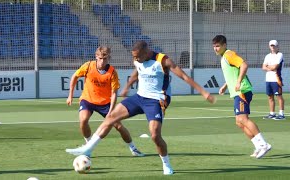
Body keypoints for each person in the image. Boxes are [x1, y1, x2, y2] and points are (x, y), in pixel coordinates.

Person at [66, 40, 216, 175]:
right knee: (111, 117)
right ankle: (88, 148)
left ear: (146, 52)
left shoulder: (163, 60)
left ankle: (166, 164)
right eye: (134, 57)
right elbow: (137, 71)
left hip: (157, 99)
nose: (135, 59)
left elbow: (184, 76)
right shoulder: (138, 60)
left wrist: (203, 92)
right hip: (139, 97)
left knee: (155, 135)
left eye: (138, 56)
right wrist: (128, 86)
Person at [66, 46, 144, 157]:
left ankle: (133, 149)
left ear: (108, 58)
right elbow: (74, 76)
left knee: (119, 127)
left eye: (105, 59)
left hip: (105, 103)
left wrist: (111, 111)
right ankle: (88, 146)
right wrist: (70, 96)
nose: (103, 61)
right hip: (88, 99)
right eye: (100, 58)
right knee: (83, 120)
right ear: (96, 57)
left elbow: (114, 93)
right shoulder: (88, 66)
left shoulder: (112, 72)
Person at [212, 35, 272, 159]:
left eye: (218, 46)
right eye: (214, 46)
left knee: (243, 119)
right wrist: (225, 86)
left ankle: (264, 144)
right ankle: (258, 146)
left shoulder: (229, 54)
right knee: (239, 122)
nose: (215, 49)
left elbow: (244, 65)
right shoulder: (224, 57)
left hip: (243, 91)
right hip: (237, 92)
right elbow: (234, 73)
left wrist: (239, 82)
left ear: (224, 45)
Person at [262, 40, 285, 120]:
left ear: (277, 46)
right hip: (268, 79)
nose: (273, 47)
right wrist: (270, 67)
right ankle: (272, 113)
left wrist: (268, 66)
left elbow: (275, 67)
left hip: (276, 79)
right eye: (271, 46)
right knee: (270, 96)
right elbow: (263, 67)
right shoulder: (267, 56)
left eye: (274, 45)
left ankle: (281, 114)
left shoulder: (280, 55)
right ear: (269, 46)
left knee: (279, 96)